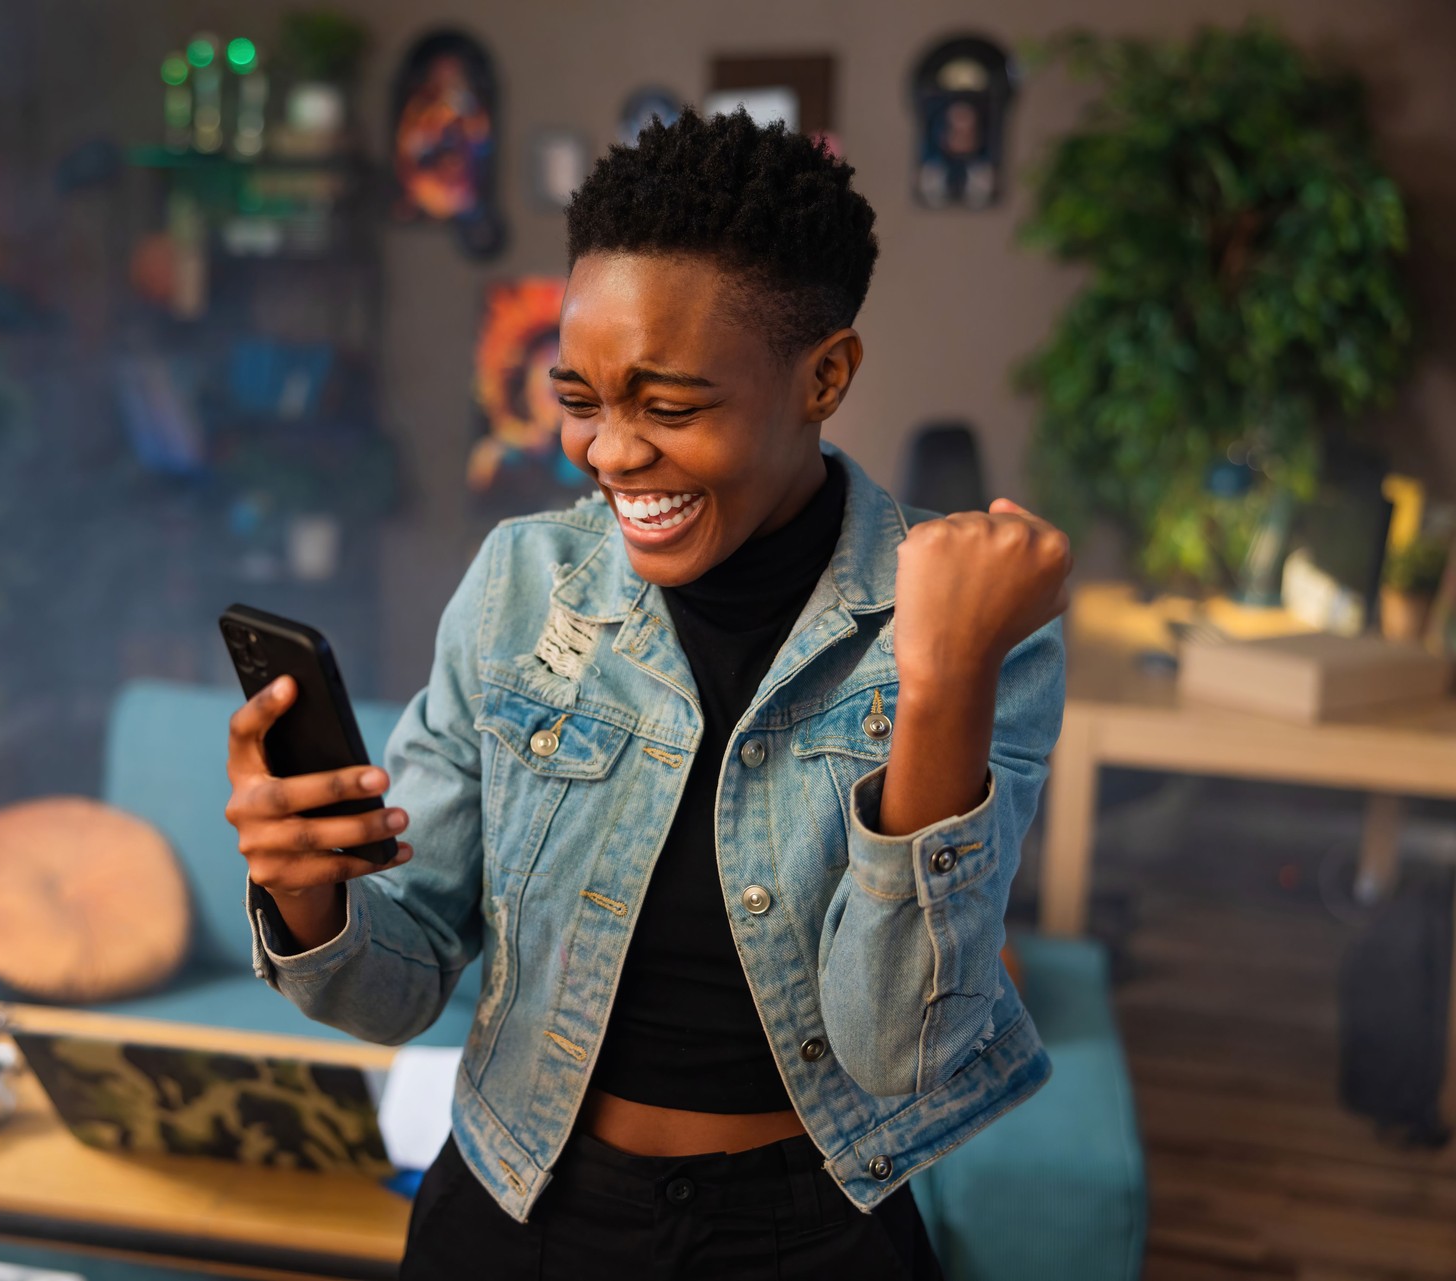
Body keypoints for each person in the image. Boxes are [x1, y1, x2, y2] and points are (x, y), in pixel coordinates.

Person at [224, 108, 1071, 1280]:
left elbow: (897, 1047)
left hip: (809, 1235)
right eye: (581, 399)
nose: (612, 453)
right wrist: (306, 891)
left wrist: (940, 678)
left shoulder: (980, 632)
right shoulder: (521, 587)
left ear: (824, 375)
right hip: (513, 1209)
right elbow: (396, 980)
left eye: (668, 407)